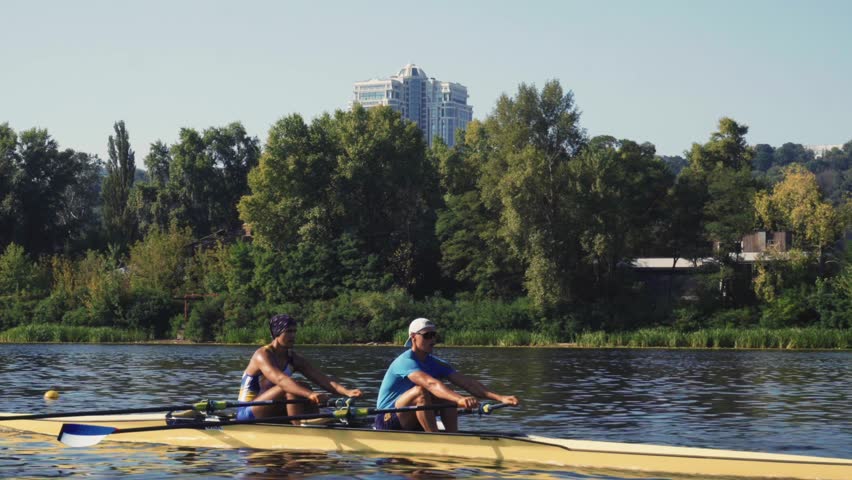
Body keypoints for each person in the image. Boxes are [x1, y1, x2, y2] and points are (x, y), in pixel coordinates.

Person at [374, 318, 520, 432]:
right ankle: (436, 440)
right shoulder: (405, 361)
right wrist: (461, 400)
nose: (432, 340)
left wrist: (500, 397)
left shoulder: (437, 363)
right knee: (421, 391)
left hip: (410, 417)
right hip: (387, 419)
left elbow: (467, 383)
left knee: (448, 396)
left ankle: (453, 438)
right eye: (427, 336)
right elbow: (431, 384)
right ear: (413, 337)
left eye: (434, 335)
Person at [236, 314, 362, 422]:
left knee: (304, 387)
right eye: (288, 332)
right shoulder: (262, 355)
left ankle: (313, 422)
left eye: (294, 331)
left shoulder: (293, 358)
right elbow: (282, 381)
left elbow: (323, 380)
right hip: (248, 412)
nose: (293, 336)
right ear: (277, 333)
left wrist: (346, 392)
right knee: (294, 388)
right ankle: (299, 428)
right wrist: (310, 394)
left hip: (271, 409)